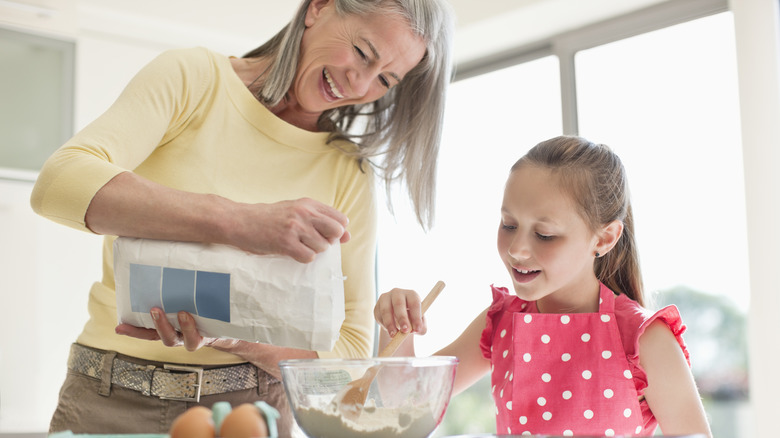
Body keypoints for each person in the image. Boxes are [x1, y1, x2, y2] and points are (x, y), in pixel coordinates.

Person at [30, 0, 454, 435]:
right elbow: (60, 185)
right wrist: (240, 222)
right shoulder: (194, 79)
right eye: (363, 52)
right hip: (107, 398)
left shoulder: (347, 172)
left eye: (385, 78)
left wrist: (231, 338)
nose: (361, 82)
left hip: (251, 411)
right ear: (320, 8)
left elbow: (345, 357)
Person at [374, 136, 713, 437]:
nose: (516, 250)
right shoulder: (500, 321)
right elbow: (406, 403)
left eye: (544, 235)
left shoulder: (644, 338)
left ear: (605, 238)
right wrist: (397, 324)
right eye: (508, 225)